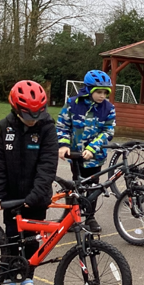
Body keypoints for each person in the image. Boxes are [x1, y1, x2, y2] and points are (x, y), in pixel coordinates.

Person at [0, 80, 58, 285]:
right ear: (15, 109)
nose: (33, 119)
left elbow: (48, 165)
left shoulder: (47, 128)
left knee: (31, 240)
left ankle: (27, 277)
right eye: (28, 115)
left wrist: (35, 195)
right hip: (11, 195)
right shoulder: (3, 128)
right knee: (11, 237)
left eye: (38, 114)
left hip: (36, 196)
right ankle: (9, 279)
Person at [56, 69, 116, 231]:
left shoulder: (108, 108)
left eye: (105, 92)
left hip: (95, 157)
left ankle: (90, 217)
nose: (102, 96)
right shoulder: (72, 103)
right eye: (99, 92)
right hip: (75, 154)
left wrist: (92, 148)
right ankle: (71, 217)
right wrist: (63, 145)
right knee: (76, 185)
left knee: (92, 187)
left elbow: (108, 131)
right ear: (89, 90)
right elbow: (62, 125)